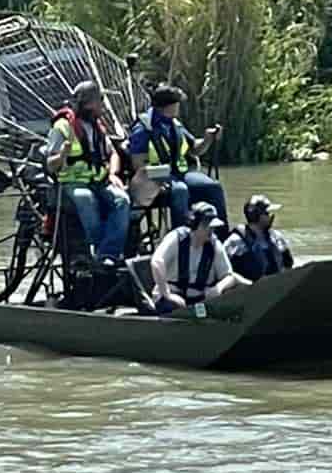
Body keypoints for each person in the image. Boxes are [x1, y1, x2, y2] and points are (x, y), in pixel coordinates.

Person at [43, 80, 129, 263]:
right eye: (100, 102)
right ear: (89, 104)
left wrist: (113, 173)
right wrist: (62, 155)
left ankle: (109, 253)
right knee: (86, 199)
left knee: (122, 200)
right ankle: (96, 248)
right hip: (72, 182)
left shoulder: (98, 127)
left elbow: (112, 153)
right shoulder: (63, 127)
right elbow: (50, 165)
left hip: (99, 180)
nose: (102, 106)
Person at [126, 85, 227, 226]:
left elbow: (195, 150)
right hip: (158, 179)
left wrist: (208, 139)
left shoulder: (175, 124)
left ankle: (220, 236)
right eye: (177, 103)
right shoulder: (142, 130)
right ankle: (181, 237)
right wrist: (159, 179)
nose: (179, 107)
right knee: (180, 190)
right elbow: (138, 165)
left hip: (180, 173)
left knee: (213, 187)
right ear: (168, 106)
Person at [149, 201, 247, 313]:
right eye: (207, 226)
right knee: (172, 307)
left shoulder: (214, 244)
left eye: (213, 227)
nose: (212, 230)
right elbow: (156, 262)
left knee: (226, 305)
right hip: (172, 298)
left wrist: (218, 288)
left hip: (198, 300)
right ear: (195, 224)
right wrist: (167, 294)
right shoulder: (176, 238)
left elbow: (229, 276)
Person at [225, 194, 294, 282]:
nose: (271, 216)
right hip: (250, 290)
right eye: (267, 213)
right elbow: (226, 273)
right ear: (256, 215)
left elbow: (288, 265)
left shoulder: (277, 237)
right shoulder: (235, 242)